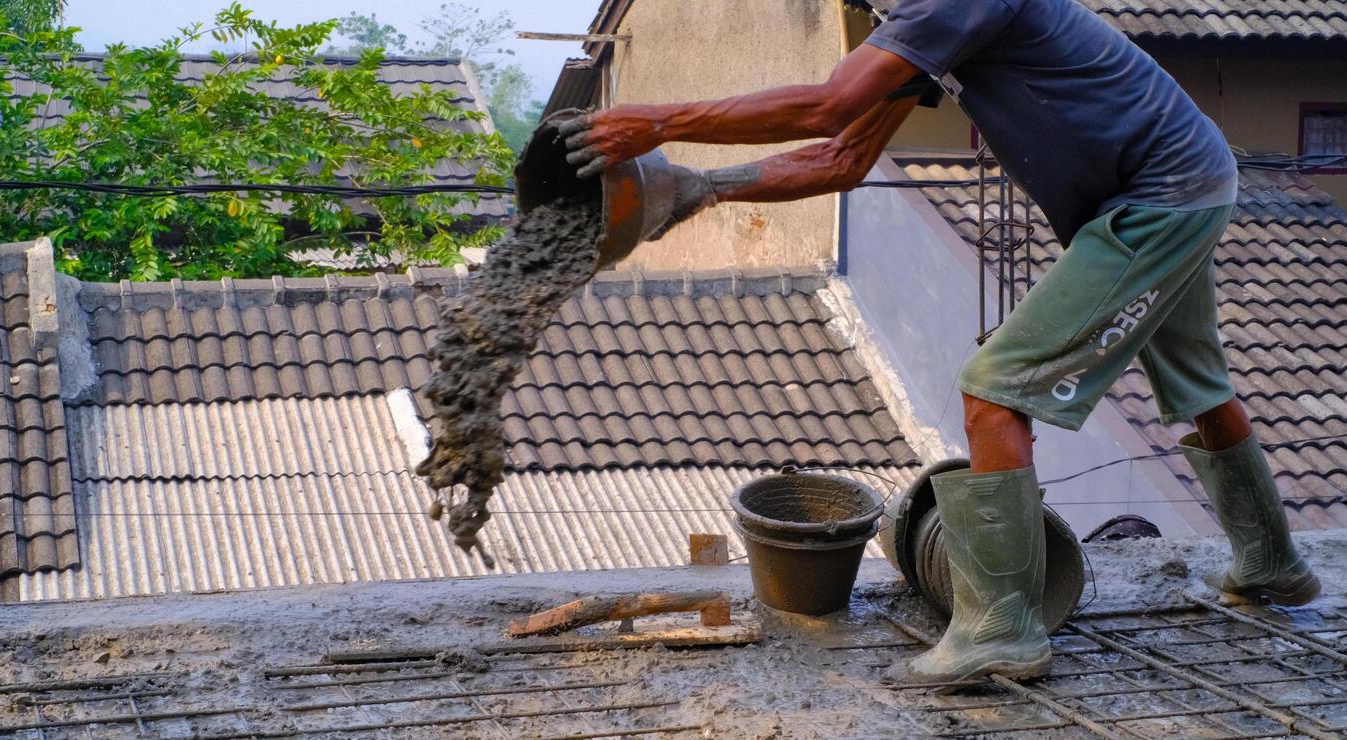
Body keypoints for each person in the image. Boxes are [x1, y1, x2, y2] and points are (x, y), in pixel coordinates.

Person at [558, 0, 1320, 689]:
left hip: (1160, 197)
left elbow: (829, 106)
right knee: (1198, 387)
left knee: (993, 388)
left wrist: (658, 123)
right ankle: (1275, 564)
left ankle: (1003, 629)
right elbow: (842, 159)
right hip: (1181, 183)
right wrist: (704, 186)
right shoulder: (925, 27)